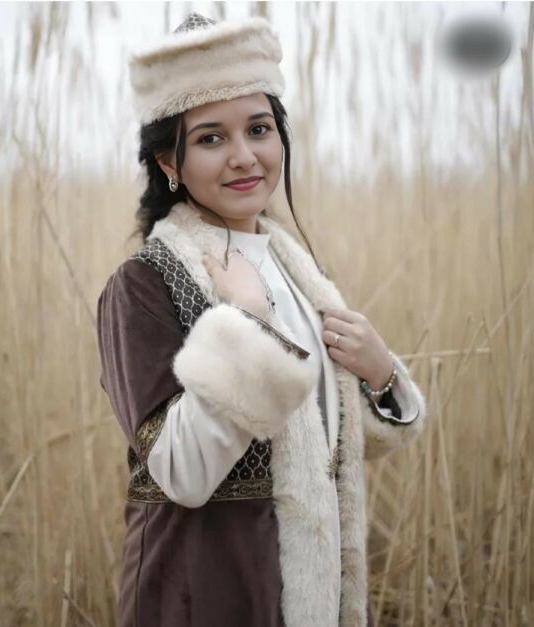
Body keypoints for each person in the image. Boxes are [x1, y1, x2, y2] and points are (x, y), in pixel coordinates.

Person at [96, 12, 429, 627]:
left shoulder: (296, 271)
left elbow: (326, 443)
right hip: (203, 596)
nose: (244, 157)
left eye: (258, 129)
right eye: (211, 139)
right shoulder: (143, 285)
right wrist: (246, 324)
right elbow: (181, 473)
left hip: (311, 599)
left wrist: (381, 374)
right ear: (169, 162)